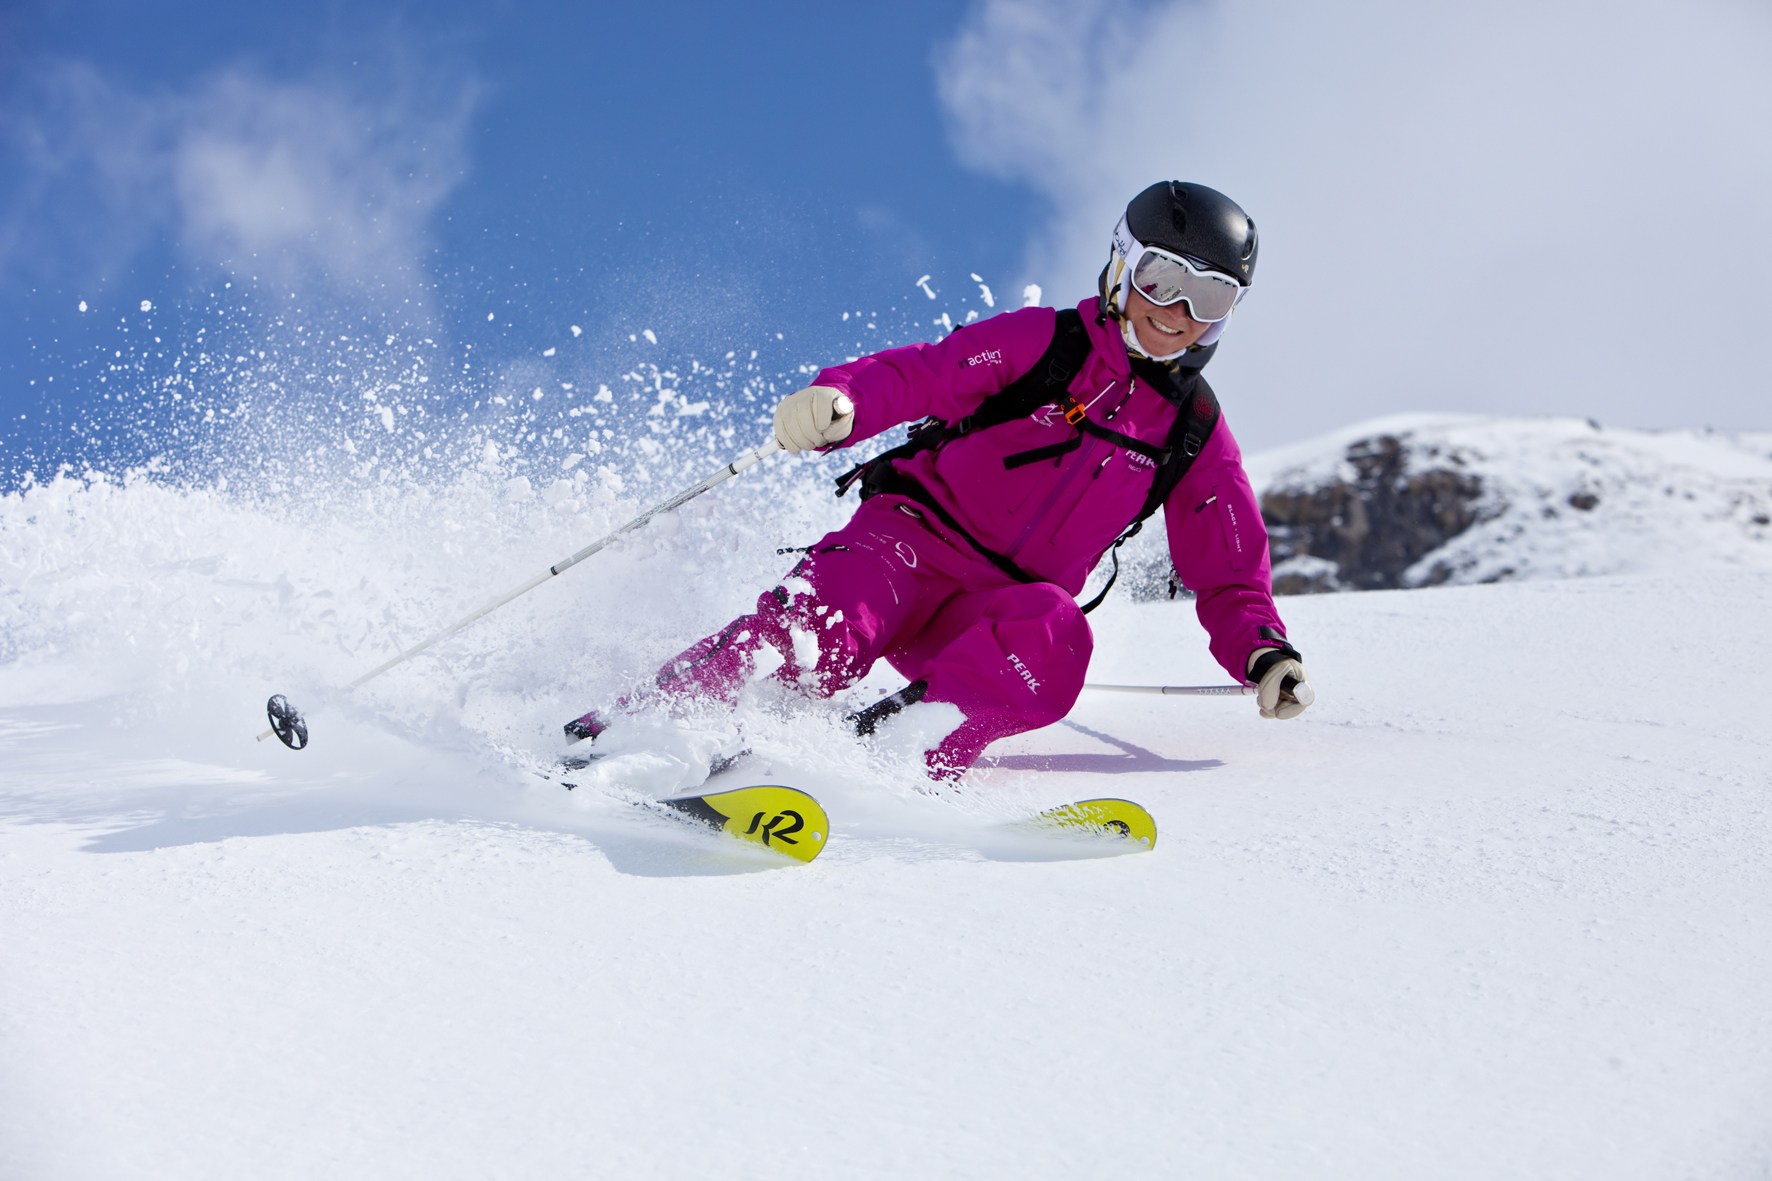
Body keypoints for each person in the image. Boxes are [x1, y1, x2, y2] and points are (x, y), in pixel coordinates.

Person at [568, 181, 1311, 778]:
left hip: (990, 611)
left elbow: (1230, 568)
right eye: (1161, 279)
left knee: (1057, 636)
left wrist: (1264, 650)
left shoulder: (1192, 431)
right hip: (907, 543)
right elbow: (922, 375)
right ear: (1123, 266)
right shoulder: (1047, 343)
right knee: (830, 627)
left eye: (1209, 298)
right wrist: (843, 400)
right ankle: (642, 725)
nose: (1178, 314)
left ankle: (893, 754)